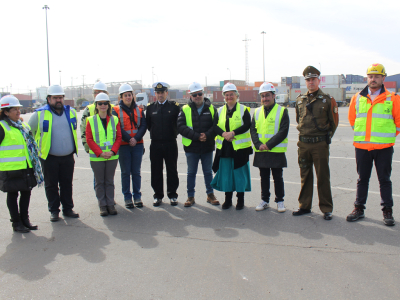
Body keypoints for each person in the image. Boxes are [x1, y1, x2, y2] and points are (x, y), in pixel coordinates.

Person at [347, 63, 400, 226]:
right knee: (362, 179)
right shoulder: (357, 98)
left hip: (383, 148)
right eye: (371, 76)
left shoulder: (393, 98)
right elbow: (352, 120)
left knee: (384, 180)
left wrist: (387, 137)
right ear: (367, 78)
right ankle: (359, 208)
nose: (373, 79)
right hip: (362, 147)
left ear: (383, 78)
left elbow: (398, 123)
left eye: (377, 76)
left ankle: (387, 211)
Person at [293, 66, 339, 220]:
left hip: (320, 144)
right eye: (308, 80)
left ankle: (326, 208)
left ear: (319, 80)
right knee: (305, 175)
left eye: (313, 79)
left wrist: (326, 138)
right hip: (304, 144)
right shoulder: (300, 100)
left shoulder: (327, 99)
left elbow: (334, 123)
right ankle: (304, 206)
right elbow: (299, 120)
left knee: (323, 176)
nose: (311, 82)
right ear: (305, 81)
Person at [28, 85, 80, 222]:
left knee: (67, 184)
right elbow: (29, 134)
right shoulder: (39, 114)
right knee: (51, 185)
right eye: (55, 98)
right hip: (49, 158)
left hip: (68, 156)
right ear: (49, 99)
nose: (58, 100)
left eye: (60, 97)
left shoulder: (72, 112)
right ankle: (54, 211)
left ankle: (68, 209)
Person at [0, 95, 44, 232]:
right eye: (15, 109)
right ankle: (16, 223)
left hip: (26, 167)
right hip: (10, 169)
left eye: (19, 109)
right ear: (6, 112)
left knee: (26, 193)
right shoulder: (2, 127)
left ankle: (25, 220)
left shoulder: (23, 125)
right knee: (13, 196)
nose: (18, 112)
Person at [211, 82, 252, 210]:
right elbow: (214, 126)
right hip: (225, 148)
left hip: (240, 149)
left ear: (236, 95)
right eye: (227, 95)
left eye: (231, 94)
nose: (229, 97)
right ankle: (228, 200)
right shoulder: (220, 110)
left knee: (239, 175)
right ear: (224, 96)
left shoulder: (244, 109)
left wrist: (233, 133)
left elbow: (247, 125)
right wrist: (224, 134)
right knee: (227, 174)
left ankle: (240, 200)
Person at [178, 82, 219, 207]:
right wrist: (197, 136)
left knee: (208, 172)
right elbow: (180, 126)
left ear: (203, 94)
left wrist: (206, 135)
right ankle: (190, 197)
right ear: (190, 96)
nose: (197, 96)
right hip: (192, 147)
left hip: (207, 146)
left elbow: (216, 126)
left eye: (199, 94)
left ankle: (210, 195)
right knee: (191, 173)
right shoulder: (185, 109)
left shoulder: (212, 108)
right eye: (194, 94)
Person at [250, 82, 289, 213]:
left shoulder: (282, 111)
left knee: (278, 177)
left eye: (267, 95)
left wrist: (269, 145)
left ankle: (280, 201)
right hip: (261, 150)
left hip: (276, 150)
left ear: (273, 96)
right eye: (263, 96)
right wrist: (258, 144)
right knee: (264, 177)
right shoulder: (257, 112)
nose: (265, 98)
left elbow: (283, 131)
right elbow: (253, 130)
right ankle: (265, 200)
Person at [86, 93, 122, 216]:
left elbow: (118, 137)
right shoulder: (90, 120)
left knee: (109, 181)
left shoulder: (115, 119)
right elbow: (89, 139)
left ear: (108, 105)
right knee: (100, 182)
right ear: (96, 105)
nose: (102, 105)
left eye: (105, 103)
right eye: (100, 103)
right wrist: (100, 153)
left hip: (112, 156)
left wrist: (112, 151)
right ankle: (102, 205)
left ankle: (110, 205)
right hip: (97, 158)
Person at [146, 82, 180, 206]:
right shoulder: (150, 108)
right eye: (158, 93)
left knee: (172, 169)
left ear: (167, 93)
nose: (160, 95)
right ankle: (158, 195)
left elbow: (178, 124)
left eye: (162, 92)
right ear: (155, 94)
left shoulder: (175, 107)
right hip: (155, 144)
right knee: (156, 170)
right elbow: (149, 126)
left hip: (170, 143)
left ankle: (172, 195)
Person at [112, 83, 146, 209]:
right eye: (125, 95)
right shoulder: (115, 110)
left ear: (133, 96)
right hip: (123, 145)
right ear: (121, 97)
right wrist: (129, 139)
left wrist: (136, 139)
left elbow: (143, 126)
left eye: (130, 95)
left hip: (137, 145)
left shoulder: (139, 110)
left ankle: (137, 196)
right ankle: (127, 197)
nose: (128, 97)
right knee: (126, 172)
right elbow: (117, 128)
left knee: (136, 172)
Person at [80, 81, 109, 153]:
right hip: (94, 150)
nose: (97, 94)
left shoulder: (113, 108)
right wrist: (87, 147)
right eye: (95, 92)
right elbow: (83, 130)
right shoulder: (88, 110)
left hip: (110, 149)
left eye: (99, 92)